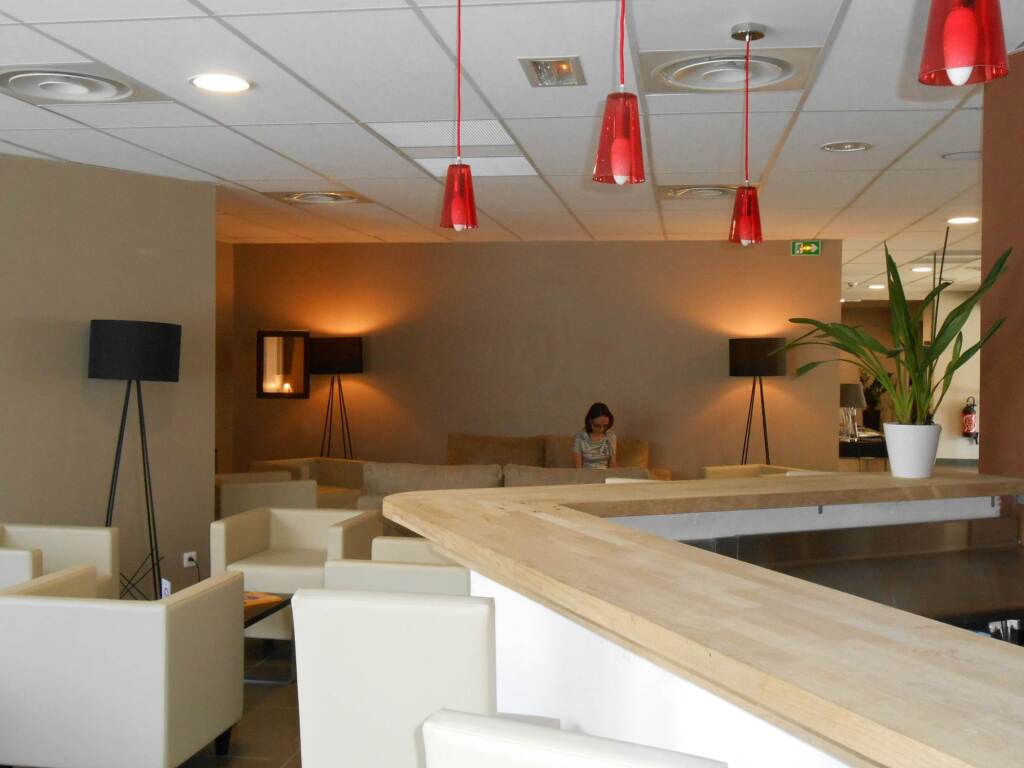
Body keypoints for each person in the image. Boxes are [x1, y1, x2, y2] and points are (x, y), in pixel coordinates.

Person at [573, 402, 618, 469]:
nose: (602, 429)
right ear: (590, 421)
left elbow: (613, 464)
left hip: (605, 474)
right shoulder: (580, 437)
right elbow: (578, 468)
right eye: (597, 426)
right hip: (585, 474)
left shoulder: (610, 436)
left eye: (605, 426)